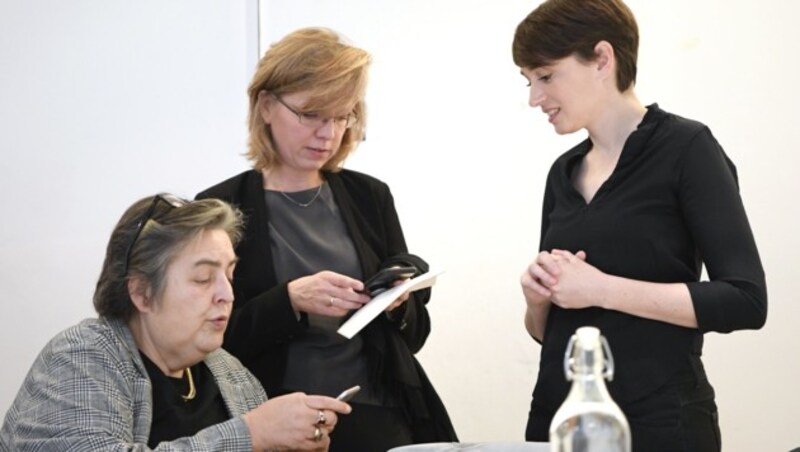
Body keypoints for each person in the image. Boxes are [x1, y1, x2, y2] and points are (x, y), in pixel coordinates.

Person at [512, 1, 767, 451]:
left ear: (603, 59)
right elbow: (546, 331)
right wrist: (538, 302)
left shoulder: (688, 148)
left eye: (546, 76)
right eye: (528, 81)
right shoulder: (562, 173)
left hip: (662, 424)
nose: (534, 97)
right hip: (560, 421)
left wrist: (601, 288)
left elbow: (746, 300)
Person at [196, 27, 457, 451]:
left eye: (342, 116)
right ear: (265, 105)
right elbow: (206, 342)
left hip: (375, 412)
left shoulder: (369, 196)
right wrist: (290, 300)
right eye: (311, 114)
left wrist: (397, 304)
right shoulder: (220, 207)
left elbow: (414, 338)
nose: (328, 134)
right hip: (271, 417)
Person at [0, 194, 351, 451]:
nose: (227, 295)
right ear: (141, 294)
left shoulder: (230, 374)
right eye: (202, 279)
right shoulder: (82, 357)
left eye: (229, 275)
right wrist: (252, 435)